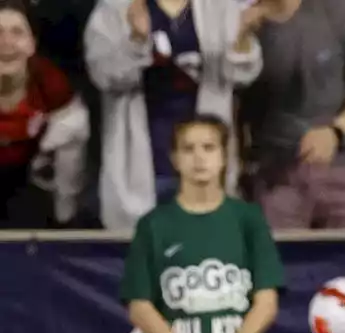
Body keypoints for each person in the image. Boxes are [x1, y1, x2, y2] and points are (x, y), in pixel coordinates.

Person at [84, 0, 263, 231]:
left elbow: (241, 76)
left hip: (205, 164)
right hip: (144, 167)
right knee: (146, 256)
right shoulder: (114, 7)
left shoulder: (219, 6)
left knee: (204, 255)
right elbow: (103, 75)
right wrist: (136, 40)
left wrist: (243, 40)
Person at [120, 115, 283, 333]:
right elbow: (139, 306)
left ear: (224, 156)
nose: (199, 157)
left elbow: (267, 301)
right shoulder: (153, 225)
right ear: (175, 159)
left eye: (209, 148)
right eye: (188, 149)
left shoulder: (248, 219)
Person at [241, 0, 345, 230]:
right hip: (276, 176)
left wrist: (335, 131)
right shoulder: (243, 22)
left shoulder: (344, 13)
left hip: (343, 168)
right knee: (274, 254)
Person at [0, 0, 89, 229]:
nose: (6, 43)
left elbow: (71, 156)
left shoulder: (52, 85)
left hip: (27, 179)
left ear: (32, 44)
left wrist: (64, 219)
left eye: (17, 33)